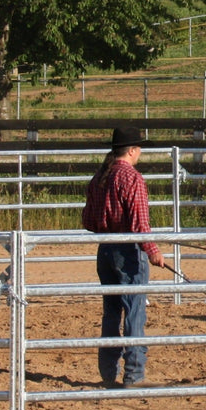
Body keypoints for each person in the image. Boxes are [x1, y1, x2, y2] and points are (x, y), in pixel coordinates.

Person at [81, 126, 167, 387]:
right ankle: (134, 373)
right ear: (132, 151)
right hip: (129, 251)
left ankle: (108, 371)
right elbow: (141, 222)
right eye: (139, 148)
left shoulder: (100, 178)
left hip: (105, 248)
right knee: (134, 312)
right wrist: (152, 251)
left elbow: (88, 220)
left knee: (111, 311)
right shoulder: (132, 178)